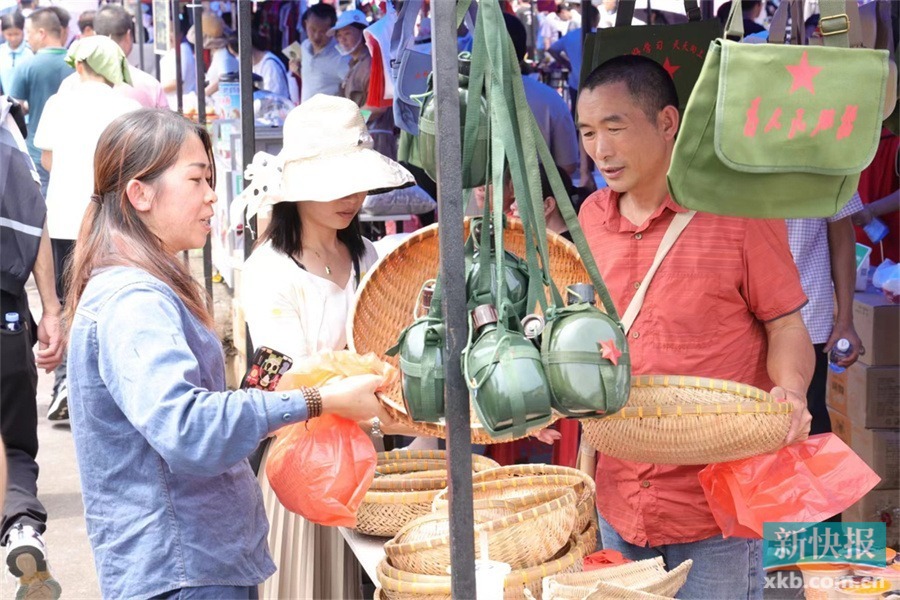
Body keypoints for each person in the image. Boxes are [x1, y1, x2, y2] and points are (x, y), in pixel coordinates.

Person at [64, 107, 391, 599]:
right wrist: (321, 398)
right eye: (197, 180)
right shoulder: (144, 298)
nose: (213, 195)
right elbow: (202, 420)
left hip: (212, 547)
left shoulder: (368, 256)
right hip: (202, 550)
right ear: (139, 194)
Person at [576, 55, 813, 599]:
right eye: (588, 133)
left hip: (719, 511)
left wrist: (793, 393)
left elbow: (786, 325)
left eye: (615, 128)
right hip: (619, 500)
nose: (601, 151)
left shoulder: (738, 213)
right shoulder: (589, 218)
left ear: (666, 123)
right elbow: (584, 335)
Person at [238, 94, 415, 599]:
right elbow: (274, 377)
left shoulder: (368, 255)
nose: (351, 197)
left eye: (356, 182)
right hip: (304, 459)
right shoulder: (269, 270)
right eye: (334, 184)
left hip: (371, 454)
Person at [34, 36, 141, 421]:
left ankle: (68, 383)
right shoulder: (128, 106)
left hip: (64, 217)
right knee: (113, 300)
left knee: (68, 302)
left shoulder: (58, 103)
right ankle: (112, 385)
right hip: (115, 219)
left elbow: (46, 160)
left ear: (79, 66)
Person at [0, 94, 64, 600]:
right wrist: (51, 308)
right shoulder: (3, 124)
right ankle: (21, 526)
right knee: (12, 436)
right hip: (3, 306)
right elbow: (33, 213)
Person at [786, 193, 864, 439]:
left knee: (808, 419)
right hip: (741, 315)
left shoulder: (833, 160)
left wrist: (845, 321)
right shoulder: (731, 155)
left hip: (807, 316)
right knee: (746, 420)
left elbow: (842, 237)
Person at [8, 7, 74, 196]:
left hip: (39, 148)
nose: (27, 38)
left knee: (41, 200)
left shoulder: (27, 66)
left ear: (41, 33)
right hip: (73, 146)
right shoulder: (77, 63)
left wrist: (31, 107)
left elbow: (16, 108)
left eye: (29, 32)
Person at [506, 12, 580, 176]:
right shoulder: (549, 99)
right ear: (523, 52)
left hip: (467, 202)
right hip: (535, 198)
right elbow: (568, 164)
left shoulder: (458, 99)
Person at [295, 3, 349, 103]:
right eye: (312, 29)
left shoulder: (342, 58)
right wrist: (297, 70)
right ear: (306, 23)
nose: (316, 36)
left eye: (323, 31)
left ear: (333, 30)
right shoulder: (305, 46)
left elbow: (357, 92)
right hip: (305, 115)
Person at [0, 11, 33, 95]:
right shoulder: (2, 51)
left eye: (17, 34)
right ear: (3, 33)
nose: (13, 38)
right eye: (9, 34)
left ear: (23, 31)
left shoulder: (31, 51)